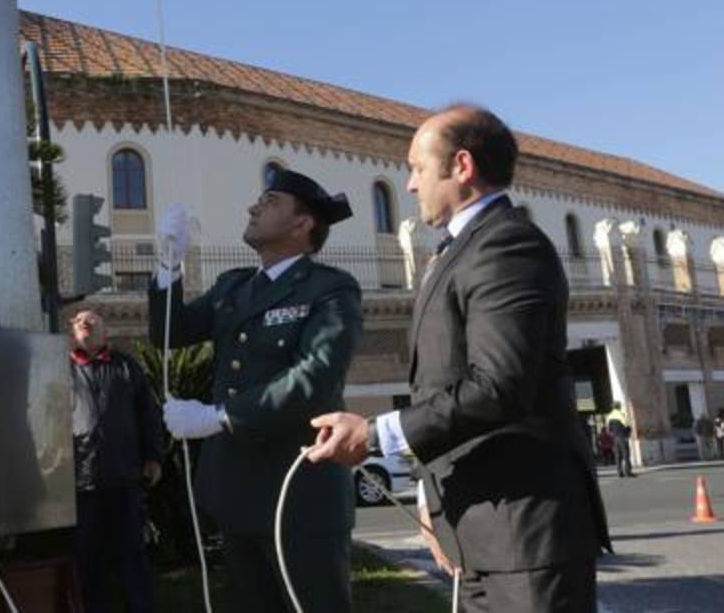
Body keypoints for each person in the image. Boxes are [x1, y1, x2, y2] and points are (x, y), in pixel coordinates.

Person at [306, 105, 611, 612]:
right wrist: (433, 498)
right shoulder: (458, 250)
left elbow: (498, 384)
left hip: (525, 536)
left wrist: (376, 434)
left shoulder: (507, 245)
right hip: (476, 533)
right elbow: (444, 384)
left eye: (417, 168)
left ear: (461, 166)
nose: (408, 185)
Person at [150, 170, 361, 612]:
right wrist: (168, 264)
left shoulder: (330, 287)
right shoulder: (234, 285)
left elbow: (315, 376)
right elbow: (169, 333)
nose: (253, 207)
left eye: (270, 200)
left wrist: (220, 416)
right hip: (237, 492)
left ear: (303, 224)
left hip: (300, 494)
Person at [70, 309, 165, 613]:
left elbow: (148, 414)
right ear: (73, 332)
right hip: (80, 485)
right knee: (87, 557)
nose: (85, 323)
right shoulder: (62, 370)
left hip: (124, 479)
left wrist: (153, 456)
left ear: (105, 332)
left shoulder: (127, 367)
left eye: (92, 320)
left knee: (132, 554)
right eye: (79, 321)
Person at [607, 403, 634, 478]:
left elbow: (609, 429)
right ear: (619, 407)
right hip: (622, 437)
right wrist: (628, 434)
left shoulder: (609, 416)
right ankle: (628, 471)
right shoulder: (621, 414)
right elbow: (627, 425)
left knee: (618, 455)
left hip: (615, 438)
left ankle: (619, 472)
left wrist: (613, 435)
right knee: (626, 454)